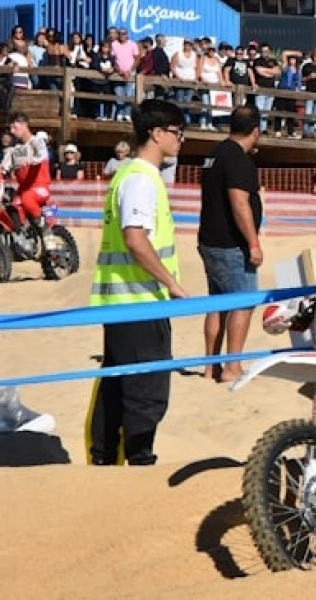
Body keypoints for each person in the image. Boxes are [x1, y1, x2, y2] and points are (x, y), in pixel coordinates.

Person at [87, 99, 188, 466]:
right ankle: (138, 463)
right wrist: (173, 285)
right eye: (178, 133)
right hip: (139, 301)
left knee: (118, 385)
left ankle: (104, 461)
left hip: (128, 302)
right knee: (145, 389)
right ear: (157, 133)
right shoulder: (141, 179)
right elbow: (135, 240)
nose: (181, 140)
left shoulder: (132, 175)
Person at [198, 106, 263, 383]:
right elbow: (239, 202)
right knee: (243, 303)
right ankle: (232, 366)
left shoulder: (215, 153)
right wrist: (253, 242)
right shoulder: (238, 158)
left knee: (218, 303)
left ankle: (211, 365)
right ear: (256, 131)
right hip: (231, 243)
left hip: (210, 239)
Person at [0, 113, 52, 243]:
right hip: (23, 189)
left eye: (14, 127)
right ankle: (22, 235)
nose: (12, 132)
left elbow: (43, 154)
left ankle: (45, 230)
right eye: (11, 128)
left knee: (26, 198)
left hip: (40, 187)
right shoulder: (13, 150)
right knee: (12, 207)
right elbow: (3, 168)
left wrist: (31, 160)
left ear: (24, 125)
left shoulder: (37, 141)